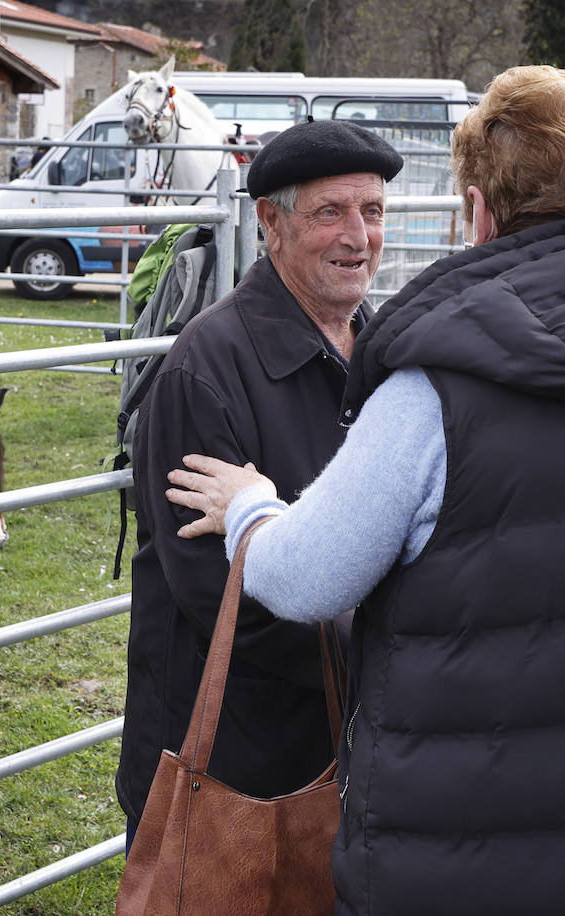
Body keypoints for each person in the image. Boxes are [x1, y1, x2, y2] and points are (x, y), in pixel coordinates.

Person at [163, 65, 565, 914]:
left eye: (371, 211)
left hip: (473, 845)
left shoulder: (440, 392)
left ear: (482, 211)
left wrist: (253, 510)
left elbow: (309, 577)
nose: (359, 235)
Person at [114, 119, 404, 853]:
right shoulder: (204, 371)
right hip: (233, 755)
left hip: (338, 740)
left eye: (372, 211)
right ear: (270, 222)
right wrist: (384, 659)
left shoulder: (383, 353)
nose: (358, 237)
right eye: (330, 213)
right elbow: (222, 594)